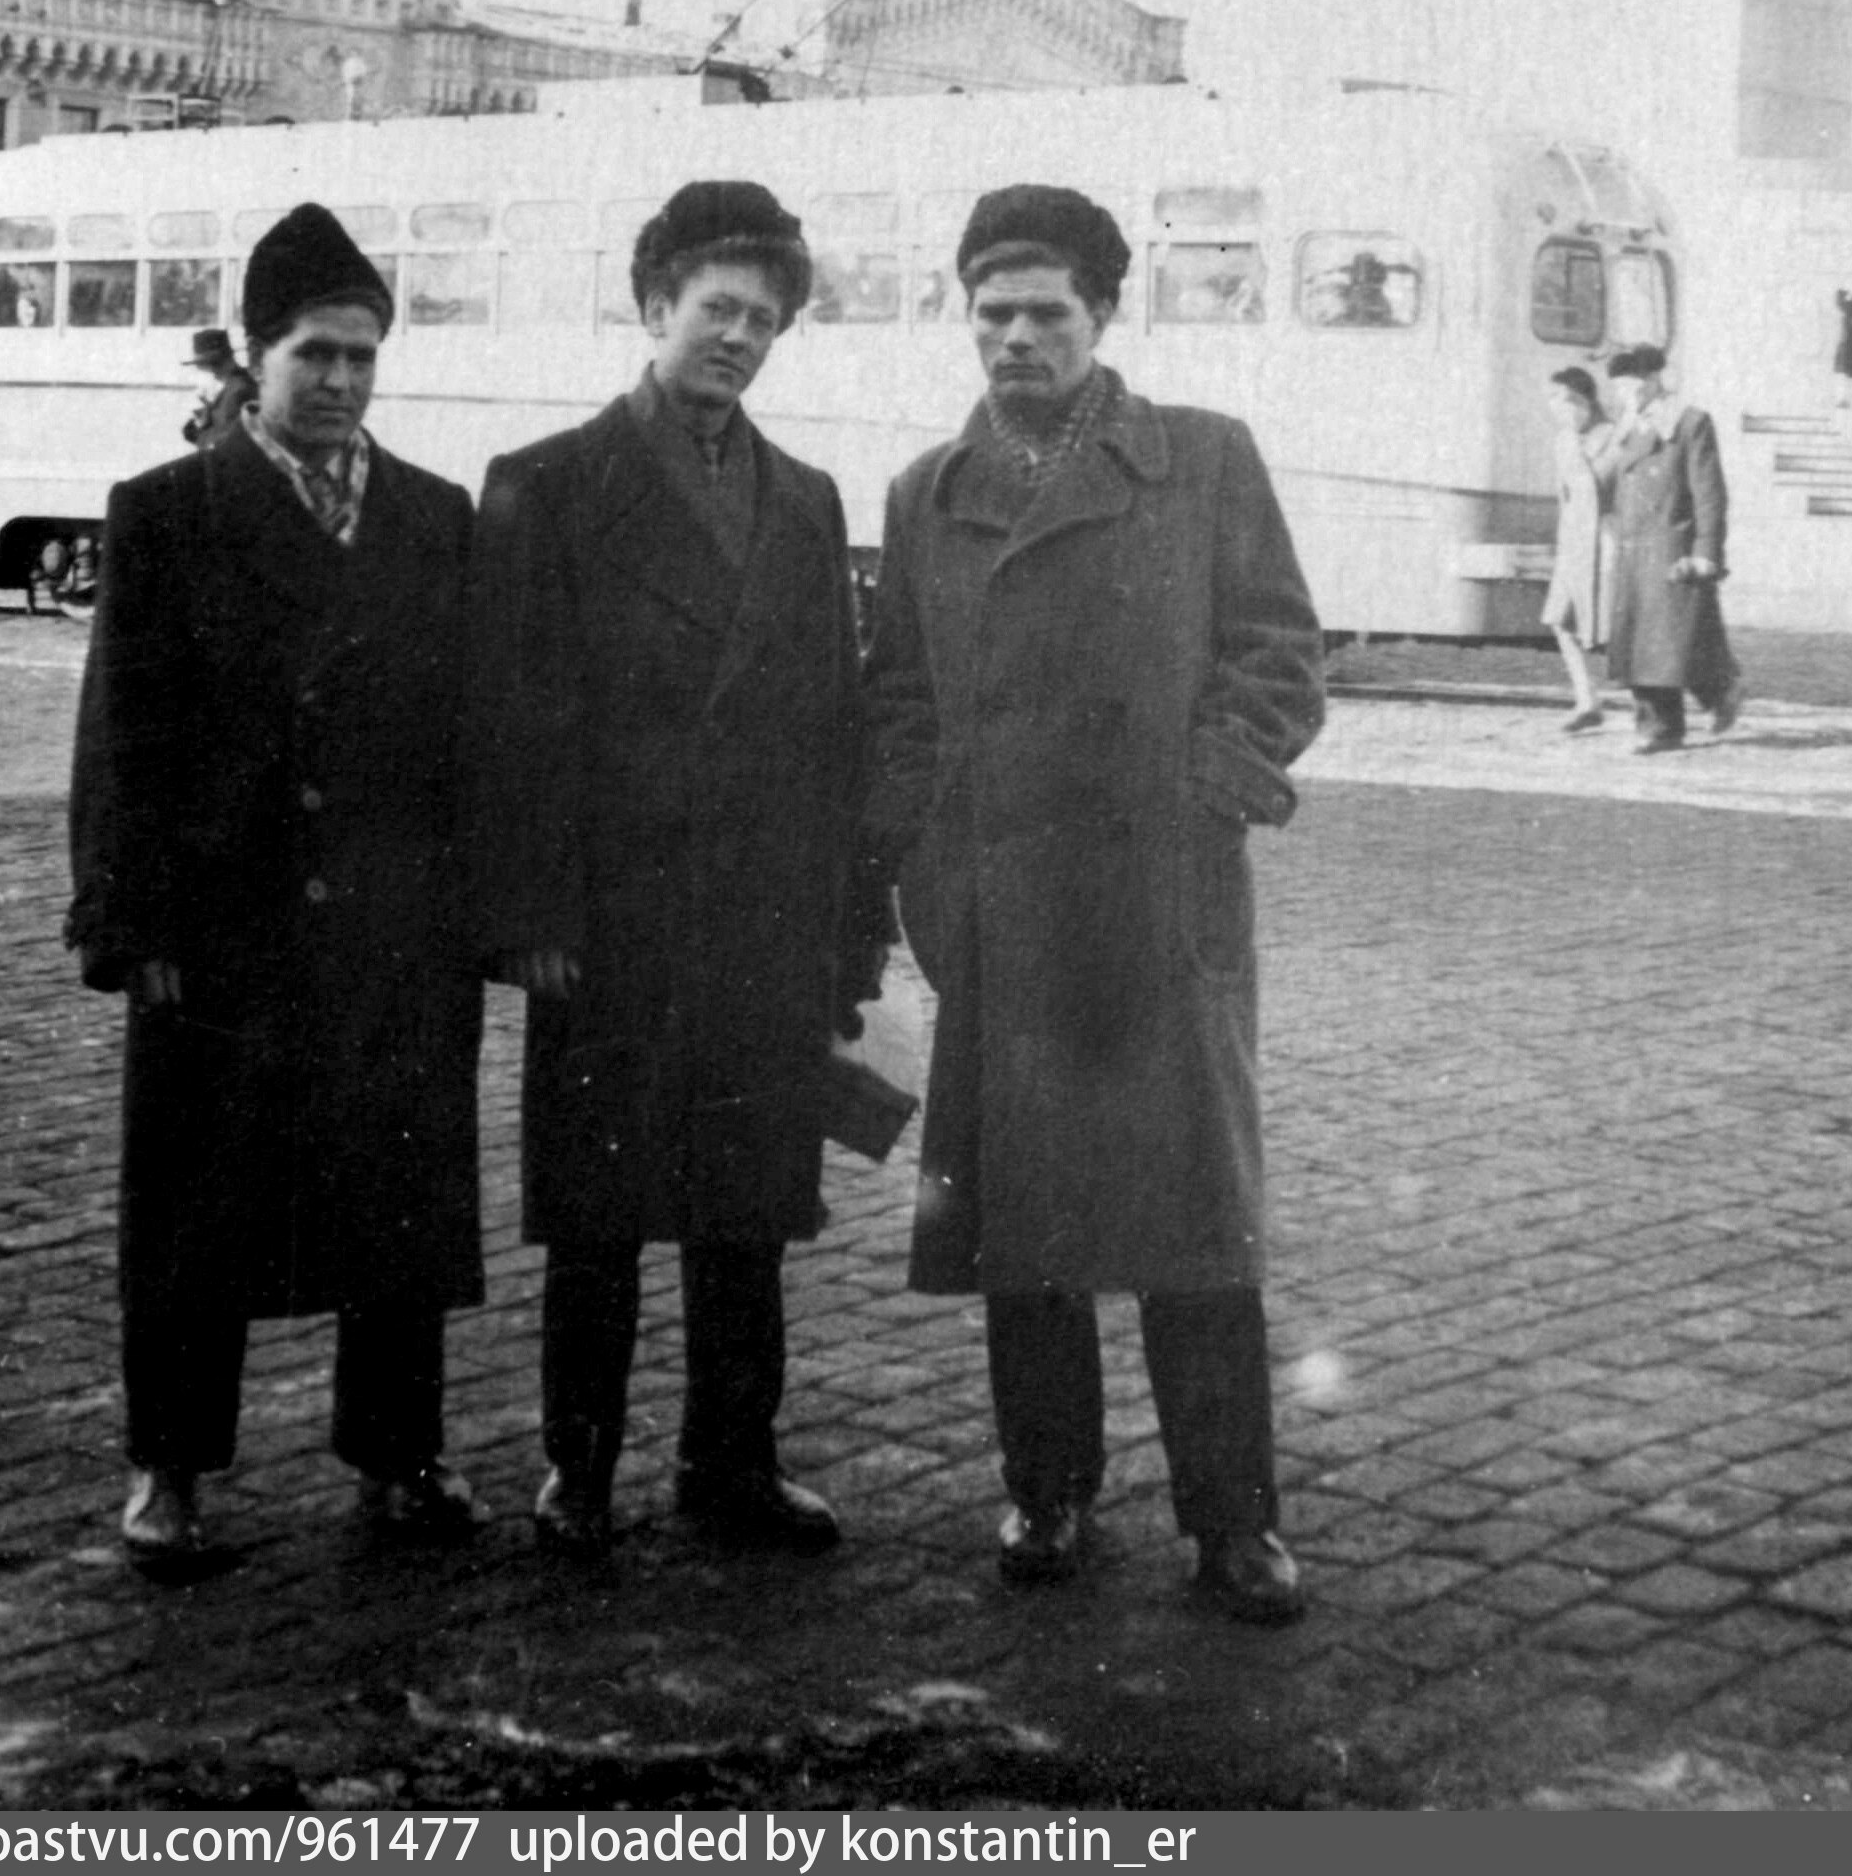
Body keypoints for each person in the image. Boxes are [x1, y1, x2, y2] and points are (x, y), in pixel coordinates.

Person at [863, 185, 1326, 1625]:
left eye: (1045, 313)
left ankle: (1232, 1521)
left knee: (1195, 1232)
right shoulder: (927, 492)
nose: (1015, 338)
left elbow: (1278, 651)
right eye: (991, 312)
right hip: (1001, 911)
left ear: (1104, 315)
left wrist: (1205, 792)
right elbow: (899, 701)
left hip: (1157, 905)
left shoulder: (1202, 458)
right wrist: (929, 857)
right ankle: (1048, 1489)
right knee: (1027, 1232)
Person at [464, 181, 886, 1559]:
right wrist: (530, 913)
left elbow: (834, 730)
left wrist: (845, 934)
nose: (740, 339)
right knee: (599, 1213)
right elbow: (510, 722)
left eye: (764, 320)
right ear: (654, 307)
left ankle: (731, 1465)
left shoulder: (805, 501)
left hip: (762, 917)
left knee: (745, 1212)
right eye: (718, 310)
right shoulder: (546, 485)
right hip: (613, 920)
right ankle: (577, 1468)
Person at [68, 204, 484, 1568]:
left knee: (394, 1198)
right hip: (225, 923)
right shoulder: (167, 511)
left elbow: (463, 733)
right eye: (317, 354)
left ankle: (399, 1456)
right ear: (256, 357)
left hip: (389, 922)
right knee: (197, 1205)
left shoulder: (432, 515)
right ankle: (172, 1468)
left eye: (364, 355)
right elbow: (120, 731)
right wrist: (132, 915)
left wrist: (467, 907)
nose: (343, 381)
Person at [1602, 344, 1743, 755]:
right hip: (1634, 549)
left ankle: (1702, 703)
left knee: (1671, 643)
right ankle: (1663, 723)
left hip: (1672, 548)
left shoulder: (1689, 423)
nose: (1622, 395)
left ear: (1651, 381)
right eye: (1618, 388)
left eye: (1628, 386)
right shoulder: (1627, 428)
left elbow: (1709, 493)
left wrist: (1707, 550)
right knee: (1644, 644)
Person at [1541, 366, 1616, 731]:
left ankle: (1665, 701)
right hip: (1574, 544)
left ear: (1583, 401)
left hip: (1607, 544)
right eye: (1552, 399)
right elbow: (1564, 497)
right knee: (1561, 620)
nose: (1556, 406)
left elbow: (1606, 491)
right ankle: (1587, 701)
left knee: (1612, 629)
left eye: (1563, 399)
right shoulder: (1563, 441)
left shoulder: (1613, 437)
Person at [181, 327, 256, 447]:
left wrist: (198, 434)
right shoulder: (235, 385)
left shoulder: (238, 391)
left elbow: (225, 444)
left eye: (203, 366)